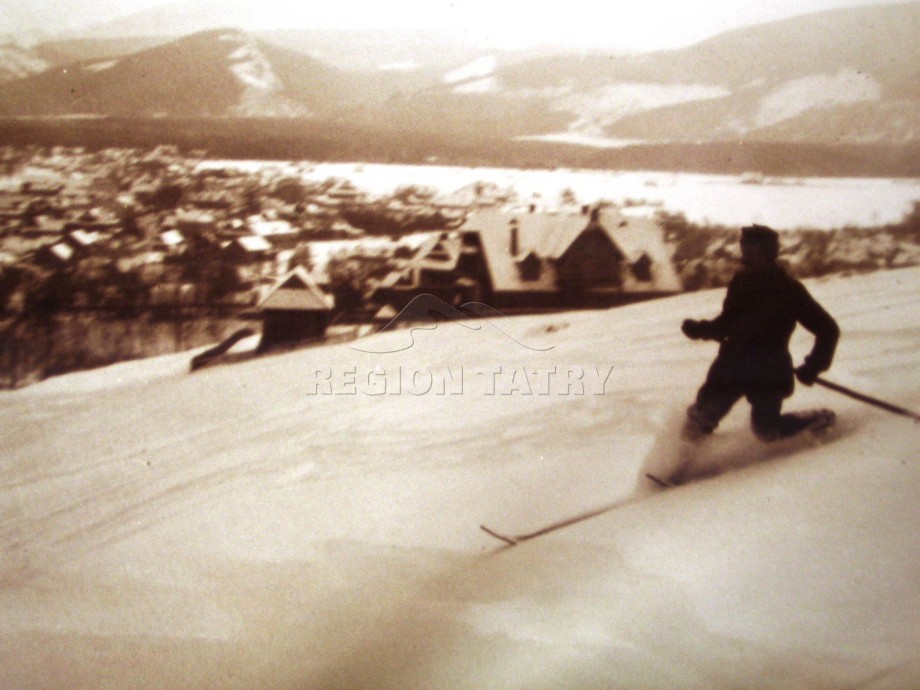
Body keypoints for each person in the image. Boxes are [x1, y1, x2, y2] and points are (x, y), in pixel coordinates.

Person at [680, 224, 840, 447]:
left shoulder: (788, 289)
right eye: (744, 246)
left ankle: (818, 420)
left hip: (769, 370)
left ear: (769, 252)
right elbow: (728, 323)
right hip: (732, 366)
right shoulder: (741, 282)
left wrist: (814, 366)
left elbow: (827, 329)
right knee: (701, 417)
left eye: (753, 247)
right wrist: (701, 330)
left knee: (766, 429)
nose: (746, 253)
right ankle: (680, 462)